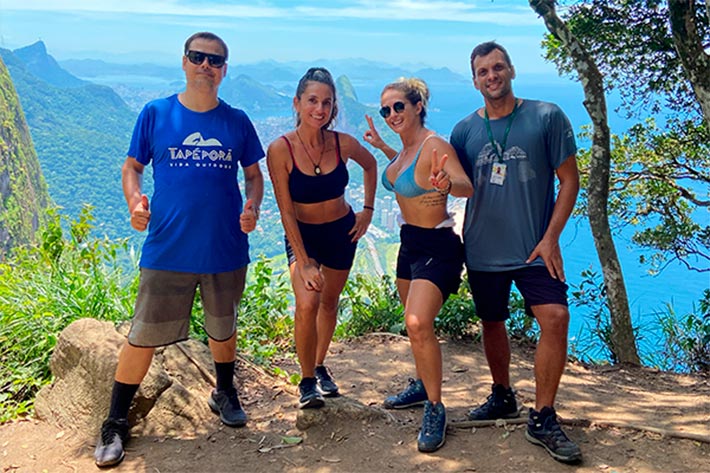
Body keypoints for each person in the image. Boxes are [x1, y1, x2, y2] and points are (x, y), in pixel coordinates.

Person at [93, 32, 265, 468]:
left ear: (225, 70)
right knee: (143, 335)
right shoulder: (156, 114)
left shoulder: (237, 121)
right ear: (184, 62)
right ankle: (114, 421)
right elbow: (132, 167)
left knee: (222, 329)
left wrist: (252, 205)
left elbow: (254, 174)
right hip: (167, 246)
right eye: (198, 57)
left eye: (215, 60)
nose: (206, 65)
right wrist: (135, 201)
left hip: (224, 246)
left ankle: (223, 390)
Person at [450, 41, 582, 464]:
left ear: (511, 70)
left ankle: (543, 416)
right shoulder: (464, 131)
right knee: (492, 322)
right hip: (483, 247)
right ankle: (502, 394)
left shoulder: (546, 117)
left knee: (556, 318)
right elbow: (457, 184)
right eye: (483, 72)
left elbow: (570, 181)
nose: (492, 76)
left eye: (498, 68)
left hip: (534, 248)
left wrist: (551, 237)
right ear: (474, 81)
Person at [363, 78, 473, 453]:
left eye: (398, 107)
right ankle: (423, 384)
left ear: (417, 107)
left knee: (417, 322)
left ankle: (436, 407)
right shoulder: (403, 152)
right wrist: (381, 146)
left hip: (438, 246)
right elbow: (402, 167)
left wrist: (447, 183)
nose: (392, 114)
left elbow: (464, 185)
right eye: (385, 110)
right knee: (414, 326)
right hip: (408, 246)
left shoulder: (434, 145)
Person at [267, 67, 377, 409]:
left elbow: (371, 165)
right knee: (307, 303)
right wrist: (302, 260)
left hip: (342, 231)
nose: (320, 109)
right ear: (297, 103)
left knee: (329, 303)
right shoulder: (280, 149)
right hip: (304, 235)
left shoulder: (342, 143)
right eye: (312, 101)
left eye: (327, 103)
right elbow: (286, 211)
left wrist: (368, 211)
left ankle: (318, 363)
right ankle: (306, 381)